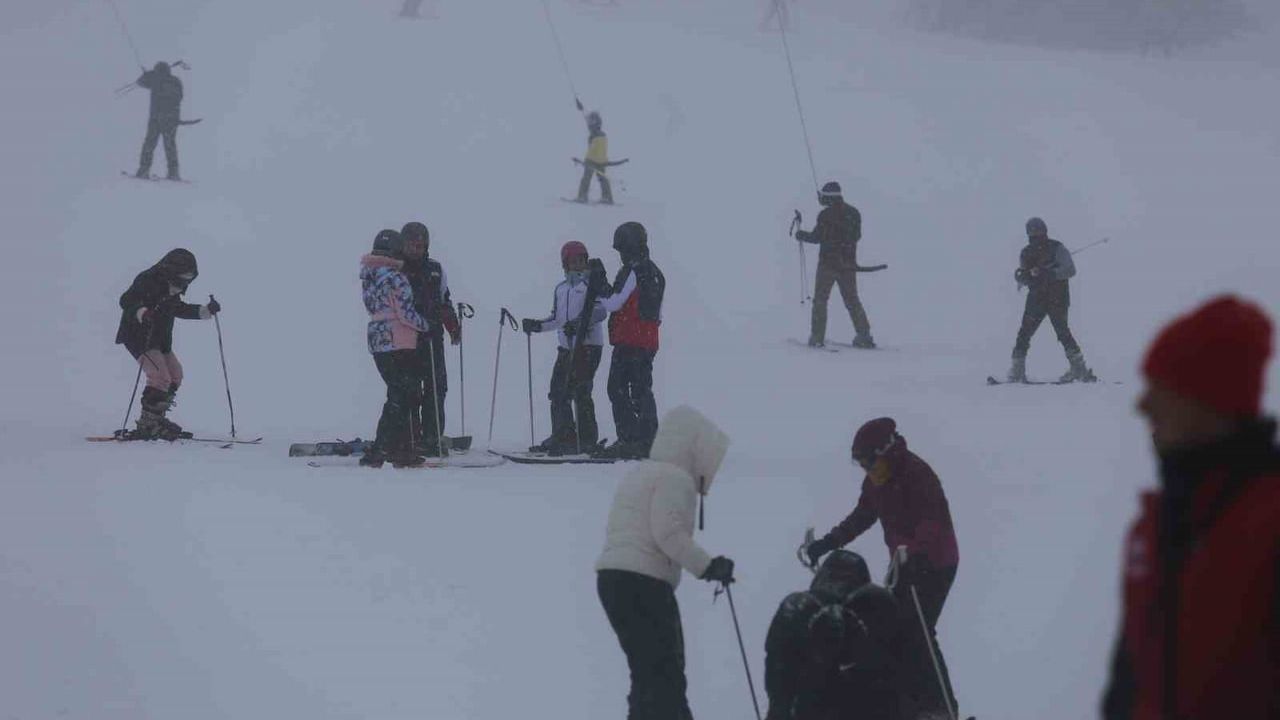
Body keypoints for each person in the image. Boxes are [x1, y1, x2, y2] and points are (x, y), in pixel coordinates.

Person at [1101, 296, 1279, 720]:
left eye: (1162, 390)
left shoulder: (1269, 527)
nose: (1142, 407)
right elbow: (1129, 687)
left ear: (1209, 405)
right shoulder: (1153, 527)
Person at [805, 418, 959, 719]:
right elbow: (863, 515)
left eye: (871, 464)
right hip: (904, 562)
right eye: (862, 466)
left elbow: (933, 524)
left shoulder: (918, 475)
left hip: (937, 563)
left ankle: (941, 706)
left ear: (887, 453)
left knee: (918, 629)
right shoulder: (876, 481)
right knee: (894, 628)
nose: (868, 471)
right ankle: (911, 702)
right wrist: (830, 541)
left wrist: (917, 556)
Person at [596, 405, 735, 720]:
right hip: (643, 584)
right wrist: (709, 566)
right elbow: (668, 533)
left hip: (611, 580)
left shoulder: (642, 473)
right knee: (666, 674)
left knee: (647, 673)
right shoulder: (676, 479)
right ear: (696, 450)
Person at [765, 554, 911, 720]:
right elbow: (900, 668)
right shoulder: (879, 601)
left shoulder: (797, 604)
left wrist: (778, 711)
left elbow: (777, 668)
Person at [115, 249, 220, 439]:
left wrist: (205, 311)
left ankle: (157, 419)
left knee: (175, 375)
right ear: (171, 271)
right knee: (159, 376)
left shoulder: (170, 288)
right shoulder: (147, 280)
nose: (185, 283)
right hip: (139, 336)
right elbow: (126, 300)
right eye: (183, 277)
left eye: (189, 278)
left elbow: (176, 308)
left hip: (160, 339)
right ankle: (147, 424)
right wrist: (142, 312)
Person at [521, 241, 607, 455]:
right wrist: (538, 325)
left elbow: (600, 312)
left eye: (581, 261)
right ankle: (564, 434)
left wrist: (579, 324)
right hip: (566, 348)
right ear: (565, 264)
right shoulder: (561, 289)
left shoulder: (591, 285)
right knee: (558, 391)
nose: (578, 265)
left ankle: (586, 438)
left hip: (588, 346)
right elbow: (557, 319)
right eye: (573, 261)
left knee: (581, 390)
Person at [359, 229, 435, 468]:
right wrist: (426, 325)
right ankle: (383, 448)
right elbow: (405, 313)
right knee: (402, 395)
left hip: (378, 341)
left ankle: (397, 447)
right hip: (399, 341)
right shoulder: (395, 277)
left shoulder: (369, 276)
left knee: (398, 393)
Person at [591, 221, 665, 460]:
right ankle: (648, 439)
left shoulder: (633, 271)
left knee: (618, 388)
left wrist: (600, 283)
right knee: (642, 389)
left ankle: (630, 440)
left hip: (629, 340)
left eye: (622, 250)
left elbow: (614, 302)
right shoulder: (655, 272)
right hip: (647, 340)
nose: (621, 256)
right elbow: (657, 312)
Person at [1006, 217, 1095, 383]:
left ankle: (1079, 369)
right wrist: (1024, 276)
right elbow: (1022, 276)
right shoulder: (1026, 252)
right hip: (1037, 298)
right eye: (1033, 231)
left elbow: (1070, 270)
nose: (1035, 233)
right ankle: (1017, 371)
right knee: (1024, 333)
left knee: (1061, 332)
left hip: (1057, 298)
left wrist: (1048, 274)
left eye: (1038, 230)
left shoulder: (1057, 248)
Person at [400, 221, 460, 457]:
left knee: (436, 386)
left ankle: (432, 435)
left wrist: (452, 325)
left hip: (432, 337)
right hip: (406, 338)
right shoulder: (398, 269)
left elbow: (444, 300)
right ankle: (411, 436)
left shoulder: (435, 269)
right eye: (411, 245)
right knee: (410, 388)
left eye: (420, 245)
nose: (416, 249)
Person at [795, 181, 875, 349]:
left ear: (829, 198)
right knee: (852, 301)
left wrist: (800, 234)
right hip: (848, 266)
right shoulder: (854, 213)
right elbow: (857, 236)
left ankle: (817, 337)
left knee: (820, 301)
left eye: (824, 197)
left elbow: (817, 238)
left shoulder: (825, 215)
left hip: (828, 266)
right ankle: (864, 335)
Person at [133, 62, 184, 181]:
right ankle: (174, 173)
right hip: (171, 119)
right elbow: (180, 97)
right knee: (170, 145)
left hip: (156, 118)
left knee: (149, 144)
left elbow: (140, 82)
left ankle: (143, 170)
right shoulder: (176, 81)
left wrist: (147, 74)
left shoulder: (155, 80)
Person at [573, 110, 614, 204]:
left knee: (586, 179)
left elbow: (593, 150)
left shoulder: (595, 135)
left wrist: (587, 160)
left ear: (596, 122)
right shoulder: (602, 134)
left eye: (591, 121)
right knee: (603, 179)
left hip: (592, 160)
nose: (589, 124)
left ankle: (582, 197)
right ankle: (607, 197)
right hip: (602, 160)